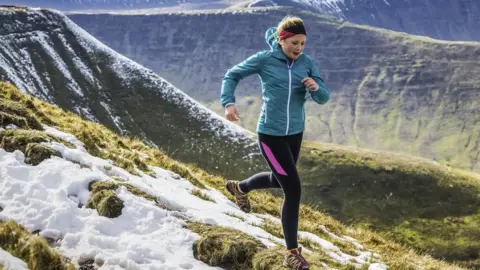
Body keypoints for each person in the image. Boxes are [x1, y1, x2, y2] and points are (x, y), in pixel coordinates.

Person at [220, 15, 330, 270]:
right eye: (294, 43)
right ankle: (292, 252)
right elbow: (232, 75)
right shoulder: (265, 60)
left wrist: (315, 88)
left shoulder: (307, 63)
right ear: (281, 40)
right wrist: (228, 102)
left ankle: (239, 188)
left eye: (303, 43)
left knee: (276, 179)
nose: (299, 48)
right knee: (292, 189)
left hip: (295, 134)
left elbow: (324, 97)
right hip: (270, 134)